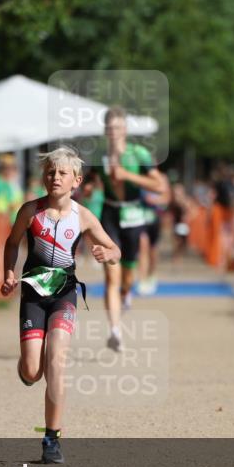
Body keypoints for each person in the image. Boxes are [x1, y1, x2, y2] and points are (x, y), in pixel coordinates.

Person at [1, 146, 120, 464]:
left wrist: (107, 254)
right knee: (32, 370)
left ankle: (51, 439)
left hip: (64, 294)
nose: (55, 177)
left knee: (57, 362)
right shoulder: (29, 211)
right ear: (43, 177)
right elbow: (12, 243)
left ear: (76, 180)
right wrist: (9, 273)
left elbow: (114, 248)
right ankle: (26, 369)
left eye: (62, 173)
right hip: (33, 295)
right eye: (50, 172)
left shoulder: (83, 216)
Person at [98, 106, 164, 351]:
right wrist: (87, 189)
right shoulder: (100, 156)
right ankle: (115, 331)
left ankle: (127, 293)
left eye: (118, 127)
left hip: (134, 215)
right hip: (109, 215)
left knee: (127, 276)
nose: (114, 132)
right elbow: (92, 182)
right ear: (105, 130)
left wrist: (127, 176)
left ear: (125, 129)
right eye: (110, 128)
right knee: (110, 277)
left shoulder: (140, 154)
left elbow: (159, 186)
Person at [138, 168, 171, 295]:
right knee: (143, 248)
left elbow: (167, 198)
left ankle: (152, 275)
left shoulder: (162, 178)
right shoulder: (139, 176)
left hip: (155, 219)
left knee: (153, 250)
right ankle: (142, 279)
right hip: (141, 219)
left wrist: (154, 200)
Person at [0, 153, 25, 221]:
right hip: (1, 220)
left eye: (13, 167)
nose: (10, 170)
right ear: (1, 168)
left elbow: (18, 200)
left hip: (14, 220)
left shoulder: (13, 182)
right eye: (6, 167)